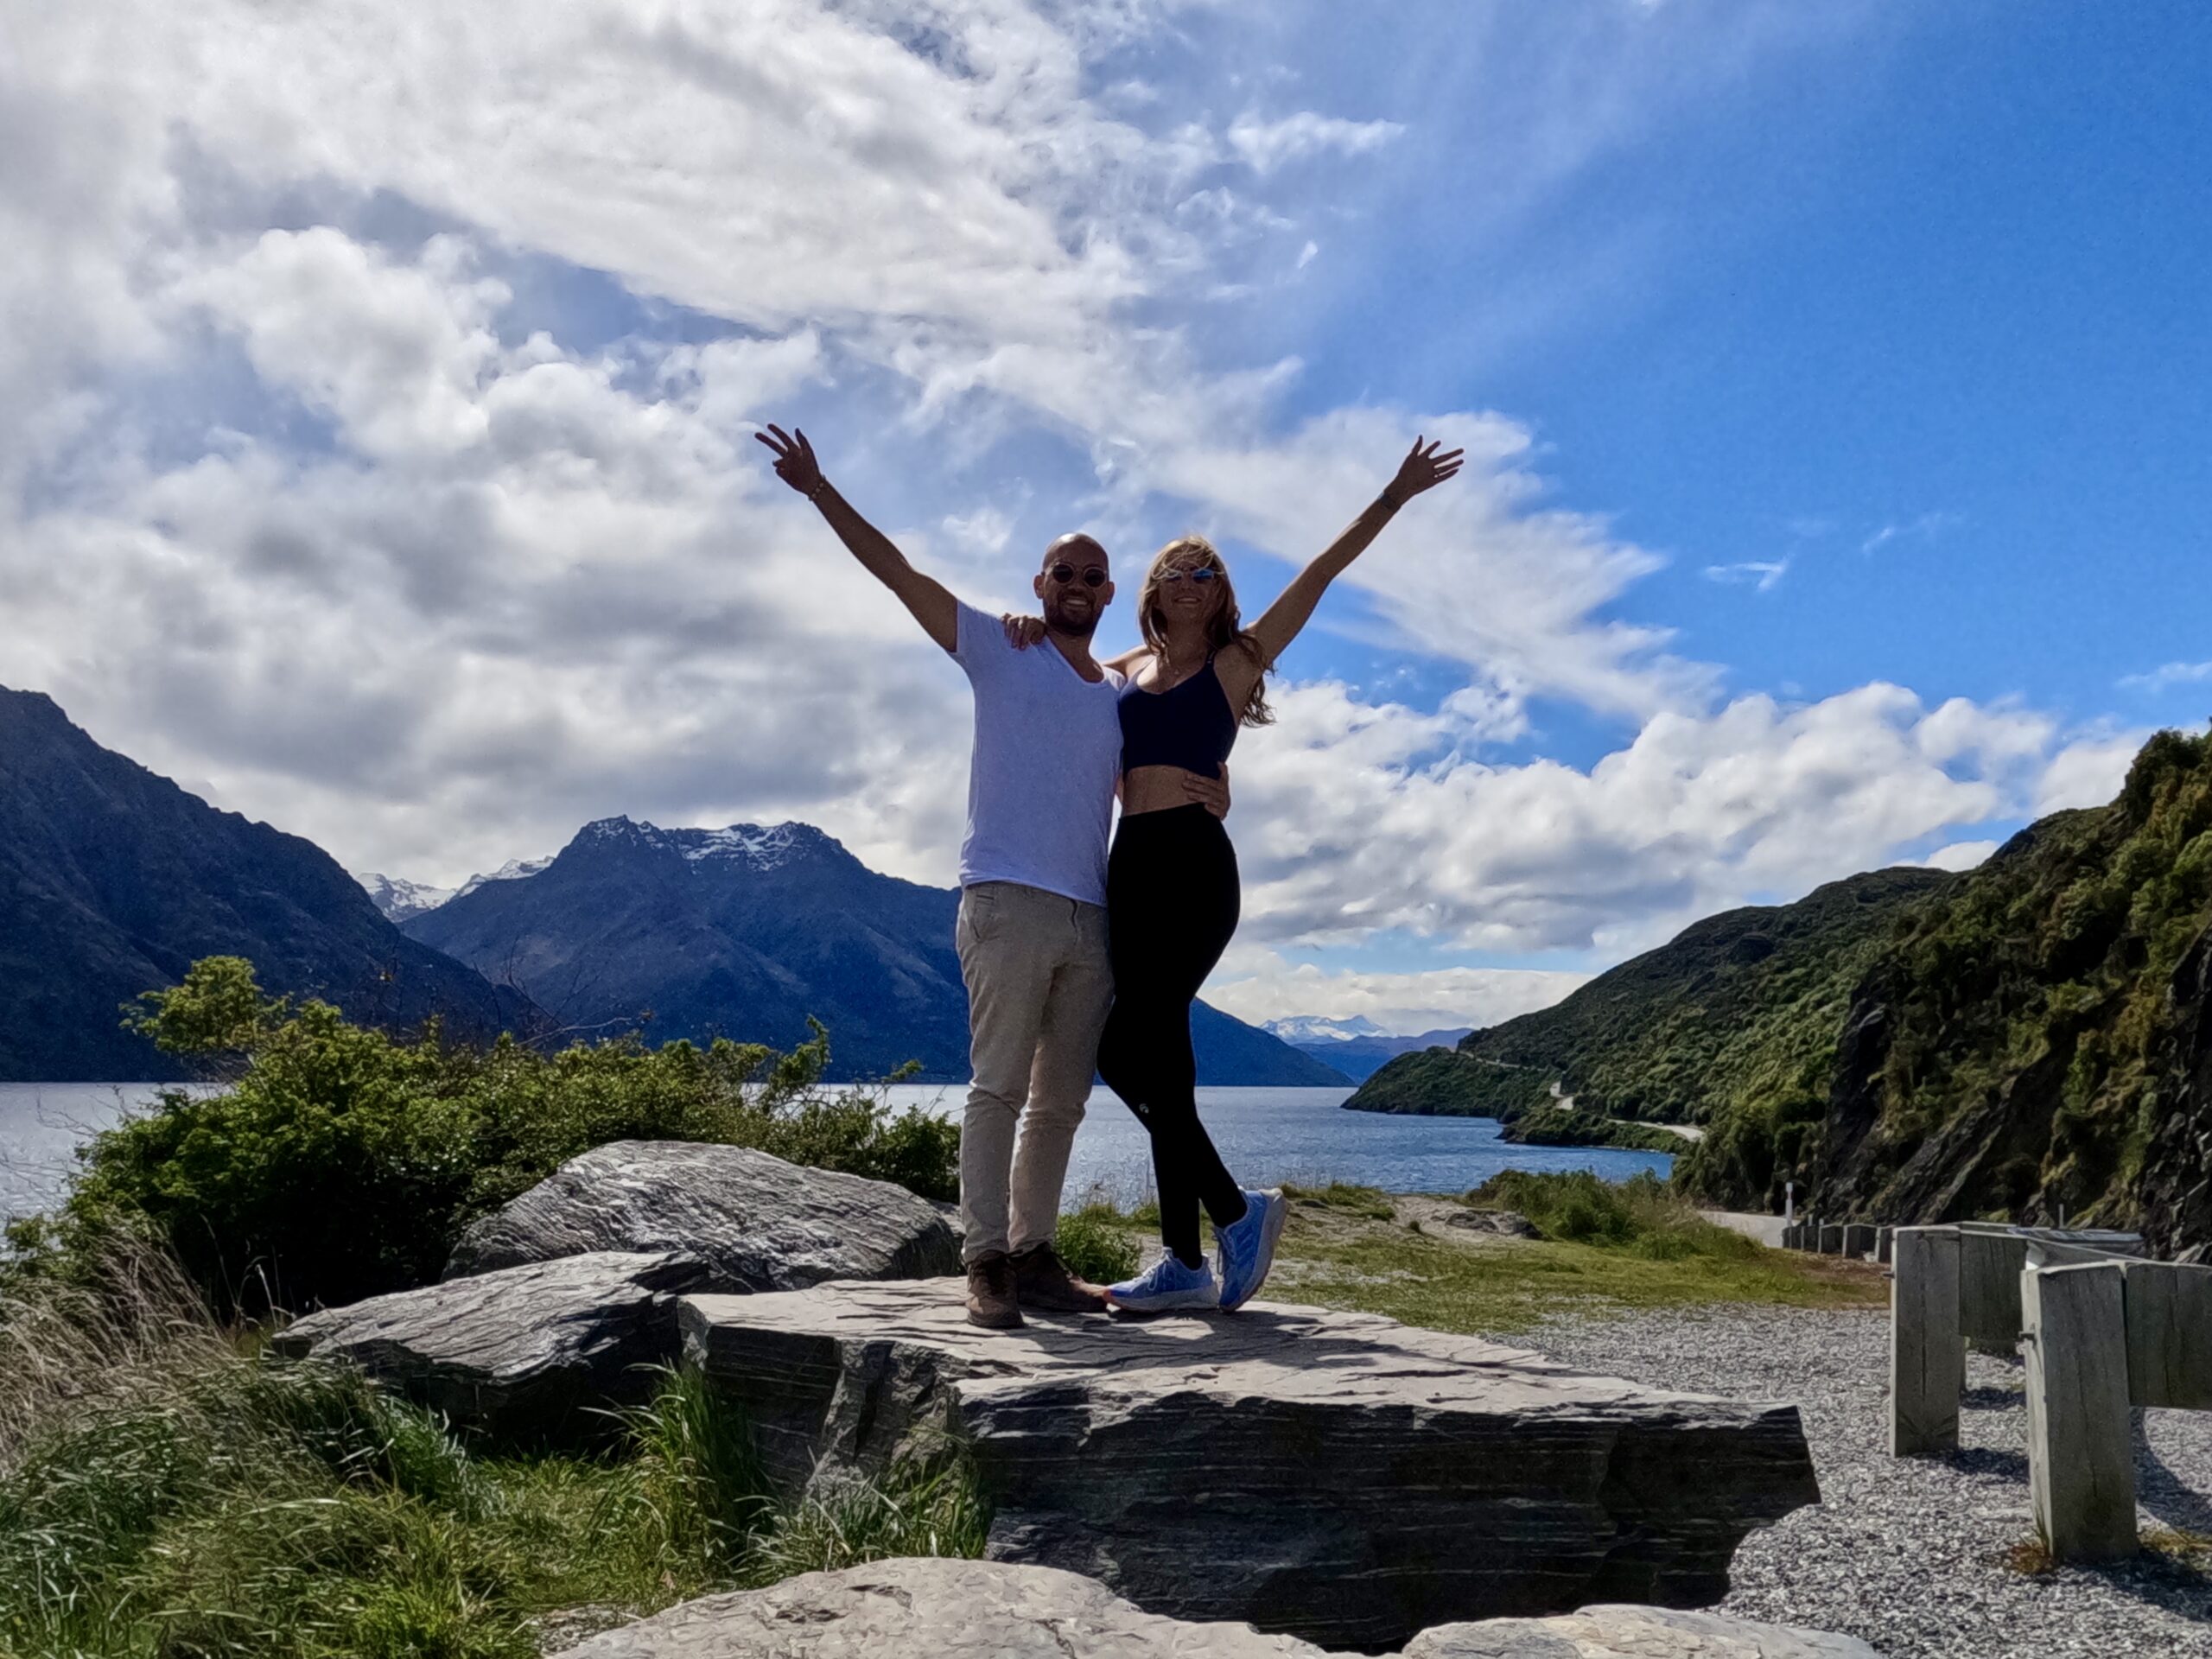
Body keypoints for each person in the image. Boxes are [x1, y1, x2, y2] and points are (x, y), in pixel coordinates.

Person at [755, 423, 1230, 1331]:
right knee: (998, 1087)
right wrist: (819, 489)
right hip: (1004, 900)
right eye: (1066, 573)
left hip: (1094, 912)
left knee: (1059, 1104)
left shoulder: (1113, 689)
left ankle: (1034, 1255)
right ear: (1039, 586)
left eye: (1096, 575)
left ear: (1108, 593)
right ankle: (984, 1264)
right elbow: (898, 573)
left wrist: (1217, 784)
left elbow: (1176, 722)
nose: (1081, 586)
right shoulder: (995, 648)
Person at [1007, 437, 1463, 1314]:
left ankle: (1218, 1226)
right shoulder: (1120, 673)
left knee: (1145, 1041)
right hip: (1128, 868)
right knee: (1134, 1056)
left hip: (1192, 867)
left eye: (1206, 572)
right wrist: (1028, 627)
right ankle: (1193, 1249)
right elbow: (1060, 682)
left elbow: (1321, 574)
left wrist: (1392, 494)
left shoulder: (1236, 662)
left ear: (1220, 595)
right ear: (1149, 591)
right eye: (1175, 569)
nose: (1189, 580)